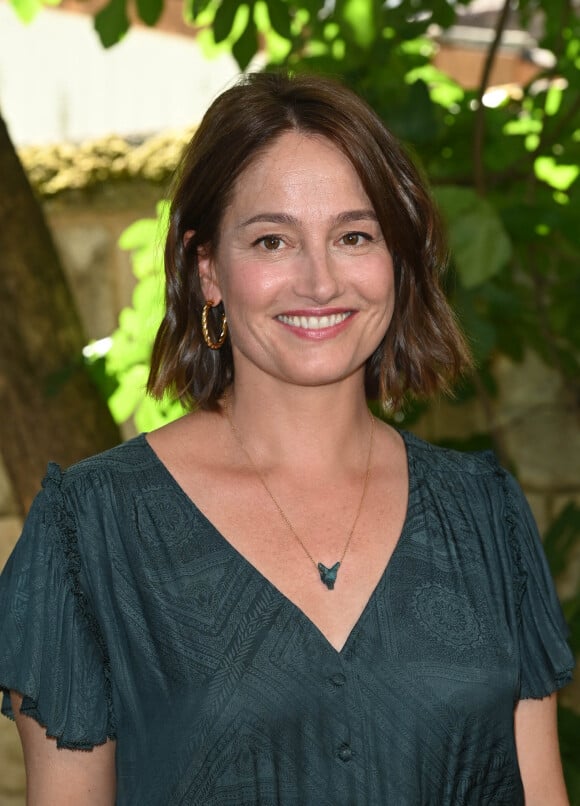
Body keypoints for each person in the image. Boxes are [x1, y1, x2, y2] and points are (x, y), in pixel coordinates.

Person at [0, 71, 574, 805]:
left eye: (354, 235)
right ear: (206, 268)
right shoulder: (90, 535)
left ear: (396, 258)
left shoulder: (484, 517)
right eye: (273, 240)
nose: (320, 280)